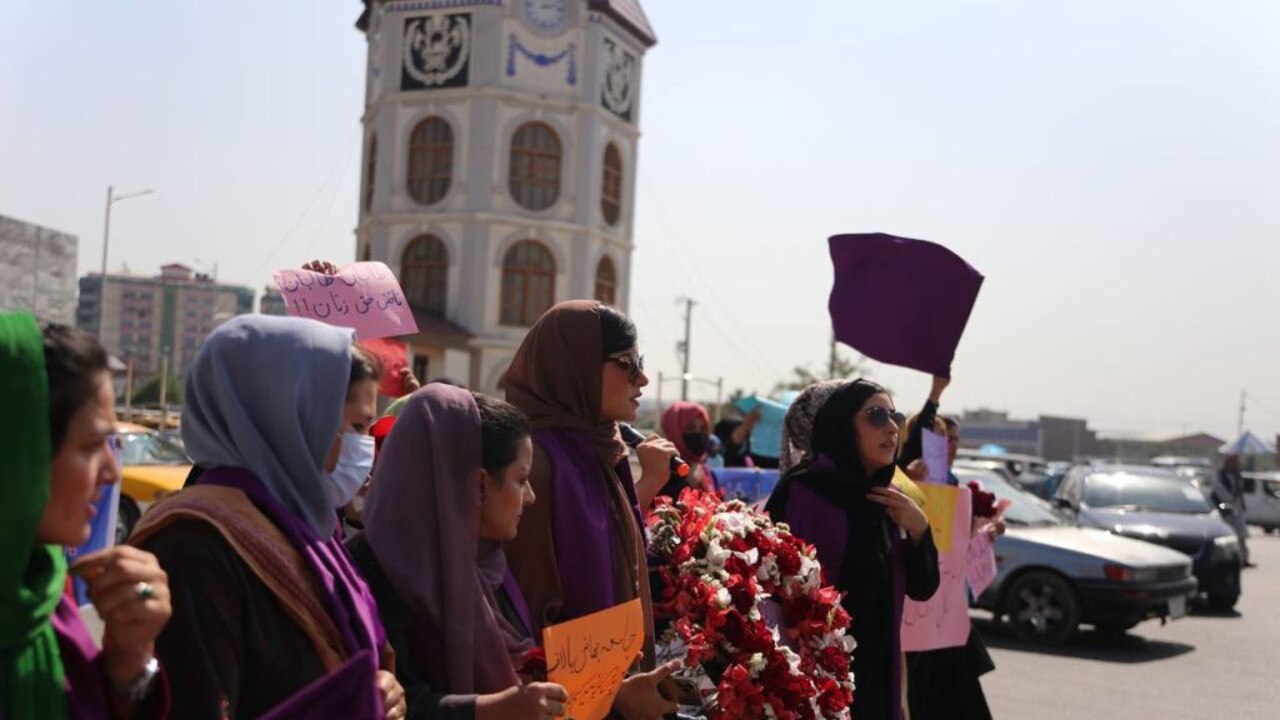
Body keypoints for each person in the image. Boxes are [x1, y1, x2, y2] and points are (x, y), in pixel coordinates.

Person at [129, 315, 405, 719]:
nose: (364, 449)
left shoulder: (307, 528)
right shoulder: (196, 542)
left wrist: (383, 694)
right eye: (357, 427)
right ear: (294, 418)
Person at [501, 300, 683, 720]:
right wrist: (607, 696)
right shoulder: (537, 463)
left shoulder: (600, 449)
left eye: (641, 361)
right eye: (626, 362)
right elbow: (523, 614)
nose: (642, 377)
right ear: (575, 366)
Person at [347, 385, 569, 719]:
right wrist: (489, 710)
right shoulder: (372, 569)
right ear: (478, 484)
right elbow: (390, 701)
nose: (531, 497)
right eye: (521, 480)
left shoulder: (487, 564)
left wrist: (616, 691)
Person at [1, 314, 172, 719]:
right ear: (18, 453)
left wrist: (130, 660)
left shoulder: (38, 586)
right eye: (92, 445)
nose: (113, 473)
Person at [765, 379, 939, 720]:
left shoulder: (885, 500)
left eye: (895, 417)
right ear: (841, 425)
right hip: (813, 686)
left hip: (874, 681)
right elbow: (776, 597)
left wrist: (920, 530)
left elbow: (921, 589)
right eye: (875, 416)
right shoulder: (807, 489)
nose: (891, 427)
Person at [896, 380, 996, 720]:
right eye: (936, 435)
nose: (943, 444)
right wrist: (935, 396)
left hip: (947, 599)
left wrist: (983, 533)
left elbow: (956, 543)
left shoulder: (951, 484)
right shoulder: (903, 478)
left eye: (949, 438)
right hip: (918, 605)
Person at [655, 401, 718, 501]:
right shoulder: (660, 472)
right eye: (690, 428)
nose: (698, 434)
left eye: (703, 429)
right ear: (674, 430)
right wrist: (688, 484)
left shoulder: (703, 469)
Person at [1217, 455, 1253, 567]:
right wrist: (1230, 500)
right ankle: (1229, 559)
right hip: (1226, 508)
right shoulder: (1221, 475)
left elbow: (1242, 490)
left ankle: (1243, 558)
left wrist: (1239, 481)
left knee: (1241, 535)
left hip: (1238, 508)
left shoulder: (1237, 476)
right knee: (1228, 535)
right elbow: (1220, 491)